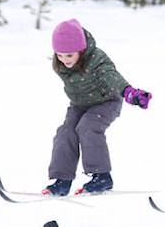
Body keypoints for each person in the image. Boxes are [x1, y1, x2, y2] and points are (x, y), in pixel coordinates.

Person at [44, 19, 151, 196]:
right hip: (79, 104)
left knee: (88, 127)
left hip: (107, 101)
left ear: (81, 49)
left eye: (69, 55)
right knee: (65, 132)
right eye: (60, 55)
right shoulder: (59, 63)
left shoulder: (97, 60)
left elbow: (112, 77)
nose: (64, 60)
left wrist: (129, 92)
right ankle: (62, 180)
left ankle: (102, 177)